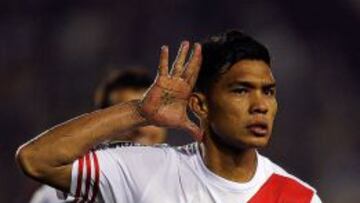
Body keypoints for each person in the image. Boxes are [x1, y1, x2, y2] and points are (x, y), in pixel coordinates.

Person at [17, 30, 321, 202]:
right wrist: (138, 112)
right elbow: (35, 158)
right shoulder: (146, 171)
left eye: (268, 91)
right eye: (241, 90)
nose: (261, 105)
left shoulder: (298, 198)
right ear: (200, 105)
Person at [29, 68, 167, 203]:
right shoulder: (56, 195)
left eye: (150, 118)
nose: (142, 130)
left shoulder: (183, 178)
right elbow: (30, 158)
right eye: (129, 120)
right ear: (102, 126)